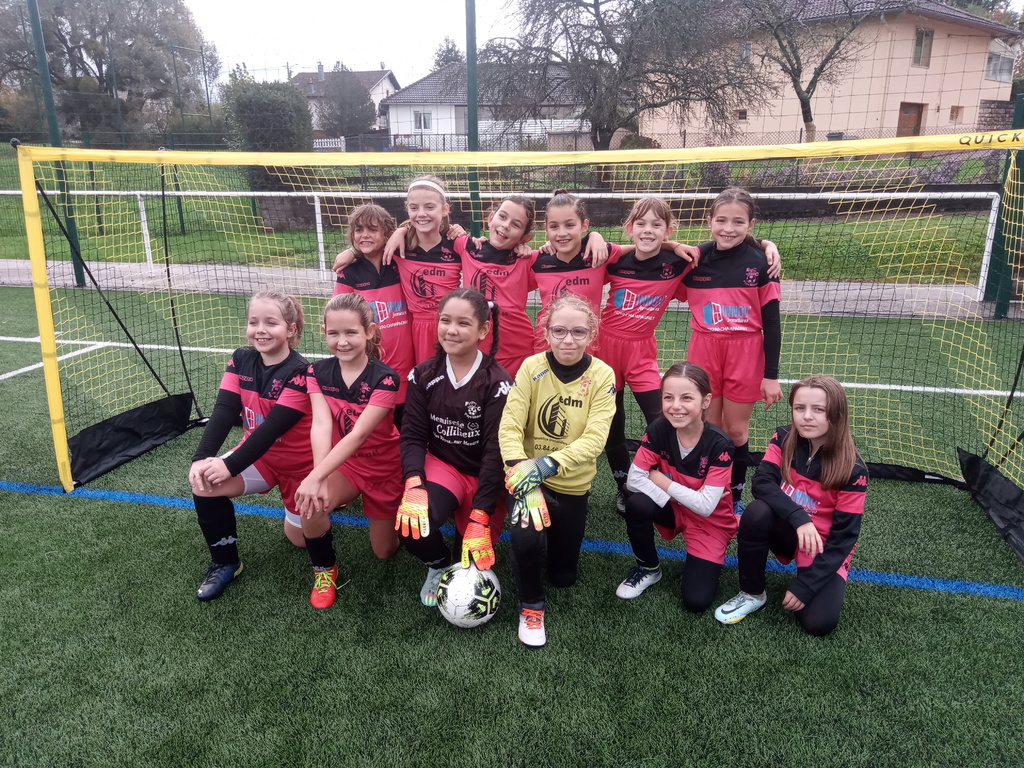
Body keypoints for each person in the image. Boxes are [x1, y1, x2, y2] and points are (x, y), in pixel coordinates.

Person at [498, 294, 616, 648]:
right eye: (559, 330)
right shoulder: (531, 367)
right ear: (546, 332)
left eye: (578, 332)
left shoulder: (602, 375)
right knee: (527, 539)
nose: (568, 340)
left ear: (592, 334)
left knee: (563, 577)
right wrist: (523, 473)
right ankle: (531, 607)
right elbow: (510, 426)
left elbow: (595, 439)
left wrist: (546, 465)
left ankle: (545, 545)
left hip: (570, 486)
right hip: (526, 478)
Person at [713, 375, 867, 636]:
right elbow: (761, 482)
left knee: (818, 623)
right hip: (789, 528)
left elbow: (844, 539)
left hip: (823, 544)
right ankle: (752, 594)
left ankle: (811, 575)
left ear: (837, 414)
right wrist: (799, 518)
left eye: (818, 409)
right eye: (799, 408)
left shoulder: (853, 470)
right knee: (756, 512)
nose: (807, 416)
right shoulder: (784, 437)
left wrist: (805, 587)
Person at [188, 292, 312, 601]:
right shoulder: (241, 358)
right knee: (204, 483)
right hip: (260, 459)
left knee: (300, 540)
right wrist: (202, 457)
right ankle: (226, 562)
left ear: (291, 329)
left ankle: (335, 495)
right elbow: (224, 410)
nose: (260, 330)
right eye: (253, 322)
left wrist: (229, 464)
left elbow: (271, 430)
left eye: (271, 323)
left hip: (301, 468)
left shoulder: (302, 372)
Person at [397, 288, 512, 605]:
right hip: (444, 466)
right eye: (445, 320)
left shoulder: (498, 381)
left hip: (484, 474)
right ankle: (437, 565)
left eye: (463, 323)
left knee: (471, 561)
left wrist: (482, 512)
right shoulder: (423, 374)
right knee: (411, 526)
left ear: (483, 330)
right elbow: (413, 434)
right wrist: (413, 482)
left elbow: (496, 452)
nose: (451, 330)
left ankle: (467, 535)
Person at [293, 293, 402, 609]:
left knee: (384, 551)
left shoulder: (386, 378)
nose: (342, 341)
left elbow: (359, 434)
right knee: (310, 506)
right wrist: (318, 477)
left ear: (369, 331)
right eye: (334, 333)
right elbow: (321, 425)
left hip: (385, 469)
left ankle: (396, 509)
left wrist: (317, 476)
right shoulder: (316, 372)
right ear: (324, 332)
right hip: (348, 467)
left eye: (351, 332)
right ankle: (324, 571)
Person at [678, 187, 783, 512]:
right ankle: (710, 490)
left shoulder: (762, 263)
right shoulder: (694, 260)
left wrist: (771, 376)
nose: (728, 228)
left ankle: (734, 496)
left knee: (735, 430)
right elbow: (652, 254)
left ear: (750, 224)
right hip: (704, 349)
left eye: (738, 222)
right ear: (709, 221)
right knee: (708, 427)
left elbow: (772, 323)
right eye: (721, 220)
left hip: (745, 352)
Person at [615, 362, 736, 613]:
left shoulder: (720, 444)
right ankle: (648, 568)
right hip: (673, 508)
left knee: (696, 601)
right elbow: (634, 479)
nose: (676, 406)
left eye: (686, 398)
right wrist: (680, 497)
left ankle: (709, 554)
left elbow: (705, 506)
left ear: (706, 401)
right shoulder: (659, 428)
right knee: (636, 503)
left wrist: (659, 479)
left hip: (710, 522)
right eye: (668, 397)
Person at [332, 203, 414, 426]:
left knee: (404, 432)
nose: (365, 235)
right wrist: (353, 252)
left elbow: (424, 228)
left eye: (372, 229)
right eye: (359, 230)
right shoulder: (349, 272)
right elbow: (339, 317)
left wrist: (403, 230)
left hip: (407, 370)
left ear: (387, 234)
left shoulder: (403, 261)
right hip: (369, 371)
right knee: (372, 431)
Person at [529, 190, 617, 351]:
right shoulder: (536, 260)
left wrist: (595, 236)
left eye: (569, 225)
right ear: (546, 229)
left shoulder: (598, 255)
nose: (562, 233)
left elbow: (640, 250)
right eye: (554, 226)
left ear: (584, 226)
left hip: (585, 347)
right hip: (545, 347)